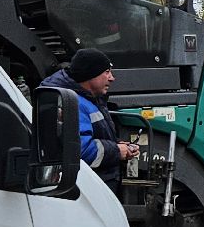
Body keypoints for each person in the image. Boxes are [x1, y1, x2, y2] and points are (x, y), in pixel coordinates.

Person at [39, 48, 138, 189]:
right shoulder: (73, 103)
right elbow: (81, 151)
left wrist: (120, 145)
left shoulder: (88, 99)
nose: (112, 78)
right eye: (107, 72)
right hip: (89, 187)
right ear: (91, 74)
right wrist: (116, 151)